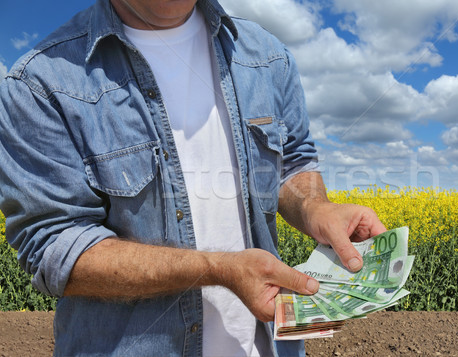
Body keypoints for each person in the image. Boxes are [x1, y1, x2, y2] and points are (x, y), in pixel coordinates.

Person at [0, 0, 386, 356]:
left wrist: (316, 207)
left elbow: (292, 163)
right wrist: (218, 269)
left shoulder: (267, 56)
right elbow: (55, 247)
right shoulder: (39, 84)